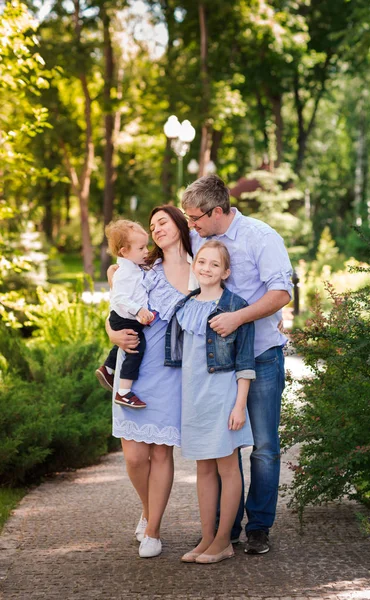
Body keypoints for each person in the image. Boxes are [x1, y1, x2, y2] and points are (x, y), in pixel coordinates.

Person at [181, 174, 293, 555]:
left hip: (260, 355)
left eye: (195, 218)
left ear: (216, 212)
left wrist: (239, 317)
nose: (191, 225)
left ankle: (258, 527)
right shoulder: (199, 238)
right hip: (217, 369)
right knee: (222, 446)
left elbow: (282, 293)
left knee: (263, 446)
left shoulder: (260, 237)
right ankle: (223, 531)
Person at [106, 206, 196, 559]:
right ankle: (147, 508)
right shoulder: (142, 267)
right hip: (135, 366)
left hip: (172, 370)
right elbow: (116, 309)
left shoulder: (198, 267)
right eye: (152, 225)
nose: (156, 229)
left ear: (180, 225)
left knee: (160, 452)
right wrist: (113, 335)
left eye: (163, 222)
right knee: (133, 456)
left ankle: (154, 528)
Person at [165, 241, 255, 564]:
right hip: (195, 398)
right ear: (194, 265)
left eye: (214, 265)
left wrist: (239, 404)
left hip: (223, 397)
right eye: (201, 262)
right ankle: (206, 537)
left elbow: (245, 362)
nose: (206, 268)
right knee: (203, 468)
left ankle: (223, 541)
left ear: (225, 272)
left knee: (227, 468)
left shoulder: (235, 306)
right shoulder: (185, 306)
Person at [96, 219, 154, 409]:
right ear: (124, 252)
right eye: (141, 248)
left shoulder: (133, 268)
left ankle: (108, 368)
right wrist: (139, 310)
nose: (146, 251)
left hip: (126, 317)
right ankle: (123, 392)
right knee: (136, 347)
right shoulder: (124, 273)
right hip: (124, 317)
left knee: (128, 342)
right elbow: (119, 298)